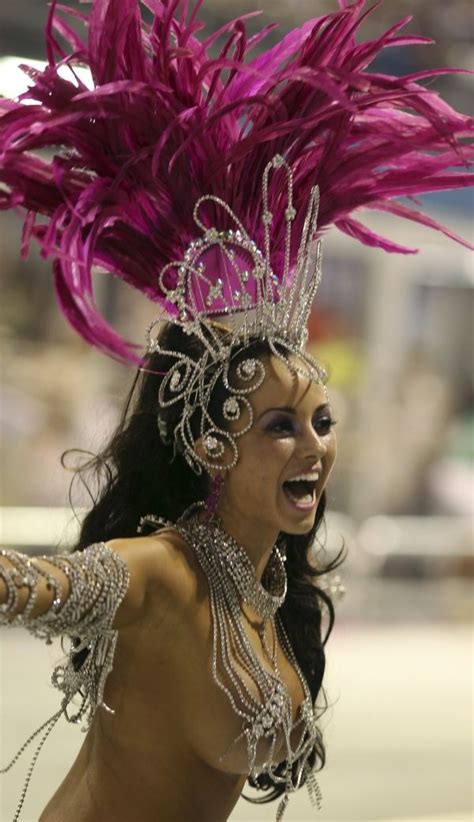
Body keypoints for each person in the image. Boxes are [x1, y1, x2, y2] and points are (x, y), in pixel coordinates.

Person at [0, 1, 472, 820]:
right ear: (212, 446)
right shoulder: (159, 569)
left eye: (321, 422)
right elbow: (26, 584)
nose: (314, 450)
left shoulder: (269, 587)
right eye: (281, 427)